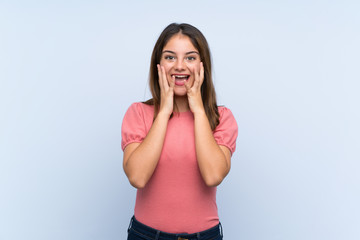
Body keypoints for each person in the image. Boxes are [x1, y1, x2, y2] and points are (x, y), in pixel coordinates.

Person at [121, 23, 238, 240]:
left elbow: (213, 175)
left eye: (190, 58)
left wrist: (198, 109)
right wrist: (164, 110)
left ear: (203, 66)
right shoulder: (138, 113)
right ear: (159, 65)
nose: (180, 66)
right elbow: (137, 177)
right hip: (146, 235)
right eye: (170, 57)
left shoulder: (222, 118)